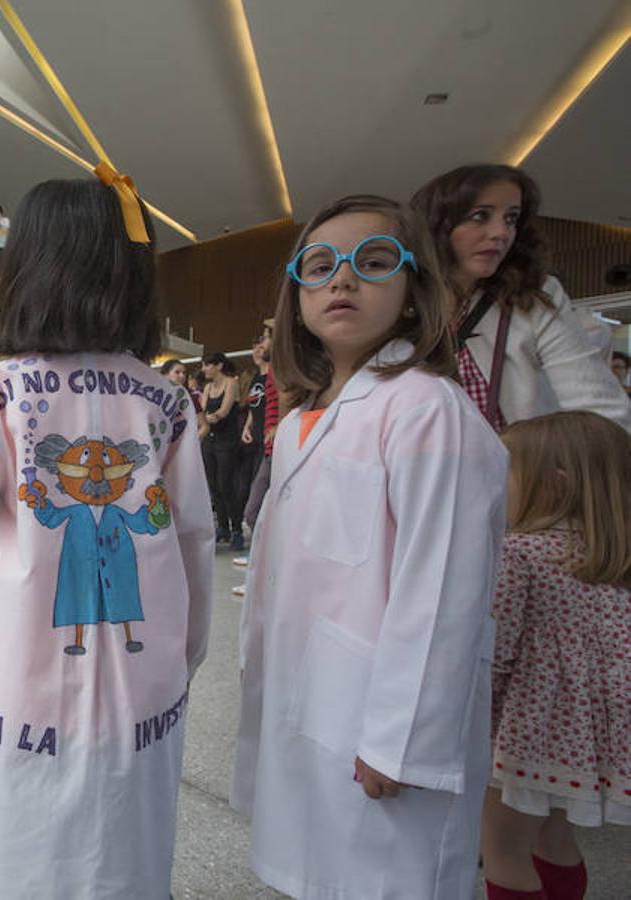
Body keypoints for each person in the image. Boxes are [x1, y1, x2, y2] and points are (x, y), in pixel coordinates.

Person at [0, 174, 213, 898]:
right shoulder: (166, 399)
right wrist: (185, 652)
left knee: (22, 835)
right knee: (130, 834)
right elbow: (193, 536)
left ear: (27, 270)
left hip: (22, 678)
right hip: (145, 685)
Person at [232, 194, 507, 899]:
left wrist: (401, 738)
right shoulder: (302, 423)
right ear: (295, 298)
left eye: (373, 262)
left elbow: (442, 590)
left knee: (387, 881)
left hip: (383, 735)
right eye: (318, 266)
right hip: (312, 709)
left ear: (415, 291)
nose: (342, 280)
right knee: (320, 875)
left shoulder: (426, 409)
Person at [481, 411, 630, 900]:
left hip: (519, 739)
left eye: (504, 471)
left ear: (555, 486)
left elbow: (495, 657)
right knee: (557, 839)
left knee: (504, 851)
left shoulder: (517, 555)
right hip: (583, 746)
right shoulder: (613, 561)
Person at [411, 164, 631, 432]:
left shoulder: (535, 295)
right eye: (480, 216)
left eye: (511, 218)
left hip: (522, 468)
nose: (501, 233)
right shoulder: (402, 299)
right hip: (423, 468)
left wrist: (555, 466)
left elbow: (602, 410)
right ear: (437, 224)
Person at [235, 319, 280, 576]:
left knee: (257, 510)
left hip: (278, 448)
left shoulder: (284, 368)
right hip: (267, 448)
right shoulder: (263, 376)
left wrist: (280, 425)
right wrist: (250, 426)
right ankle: (262, 565)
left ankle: (266, 568)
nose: (260, 345)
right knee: (254, 511)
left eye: (265, 339)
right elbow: (256, 407)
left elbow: (291, 399)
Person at [199, 351, 243, 551]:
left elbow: (223, 412)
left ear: (219, 366)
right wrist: (206, 419)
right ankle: (223, 527)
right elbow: (202, 411)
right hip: (210, 440)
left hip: (227, 440)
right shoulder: (207, 387)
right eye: (203, 365)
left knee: (226, 485)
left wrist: (207, 418)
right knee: (214, 486)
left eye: (208, 365)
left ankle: (237, 531)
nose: (204, 369)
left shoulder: (231, 383)